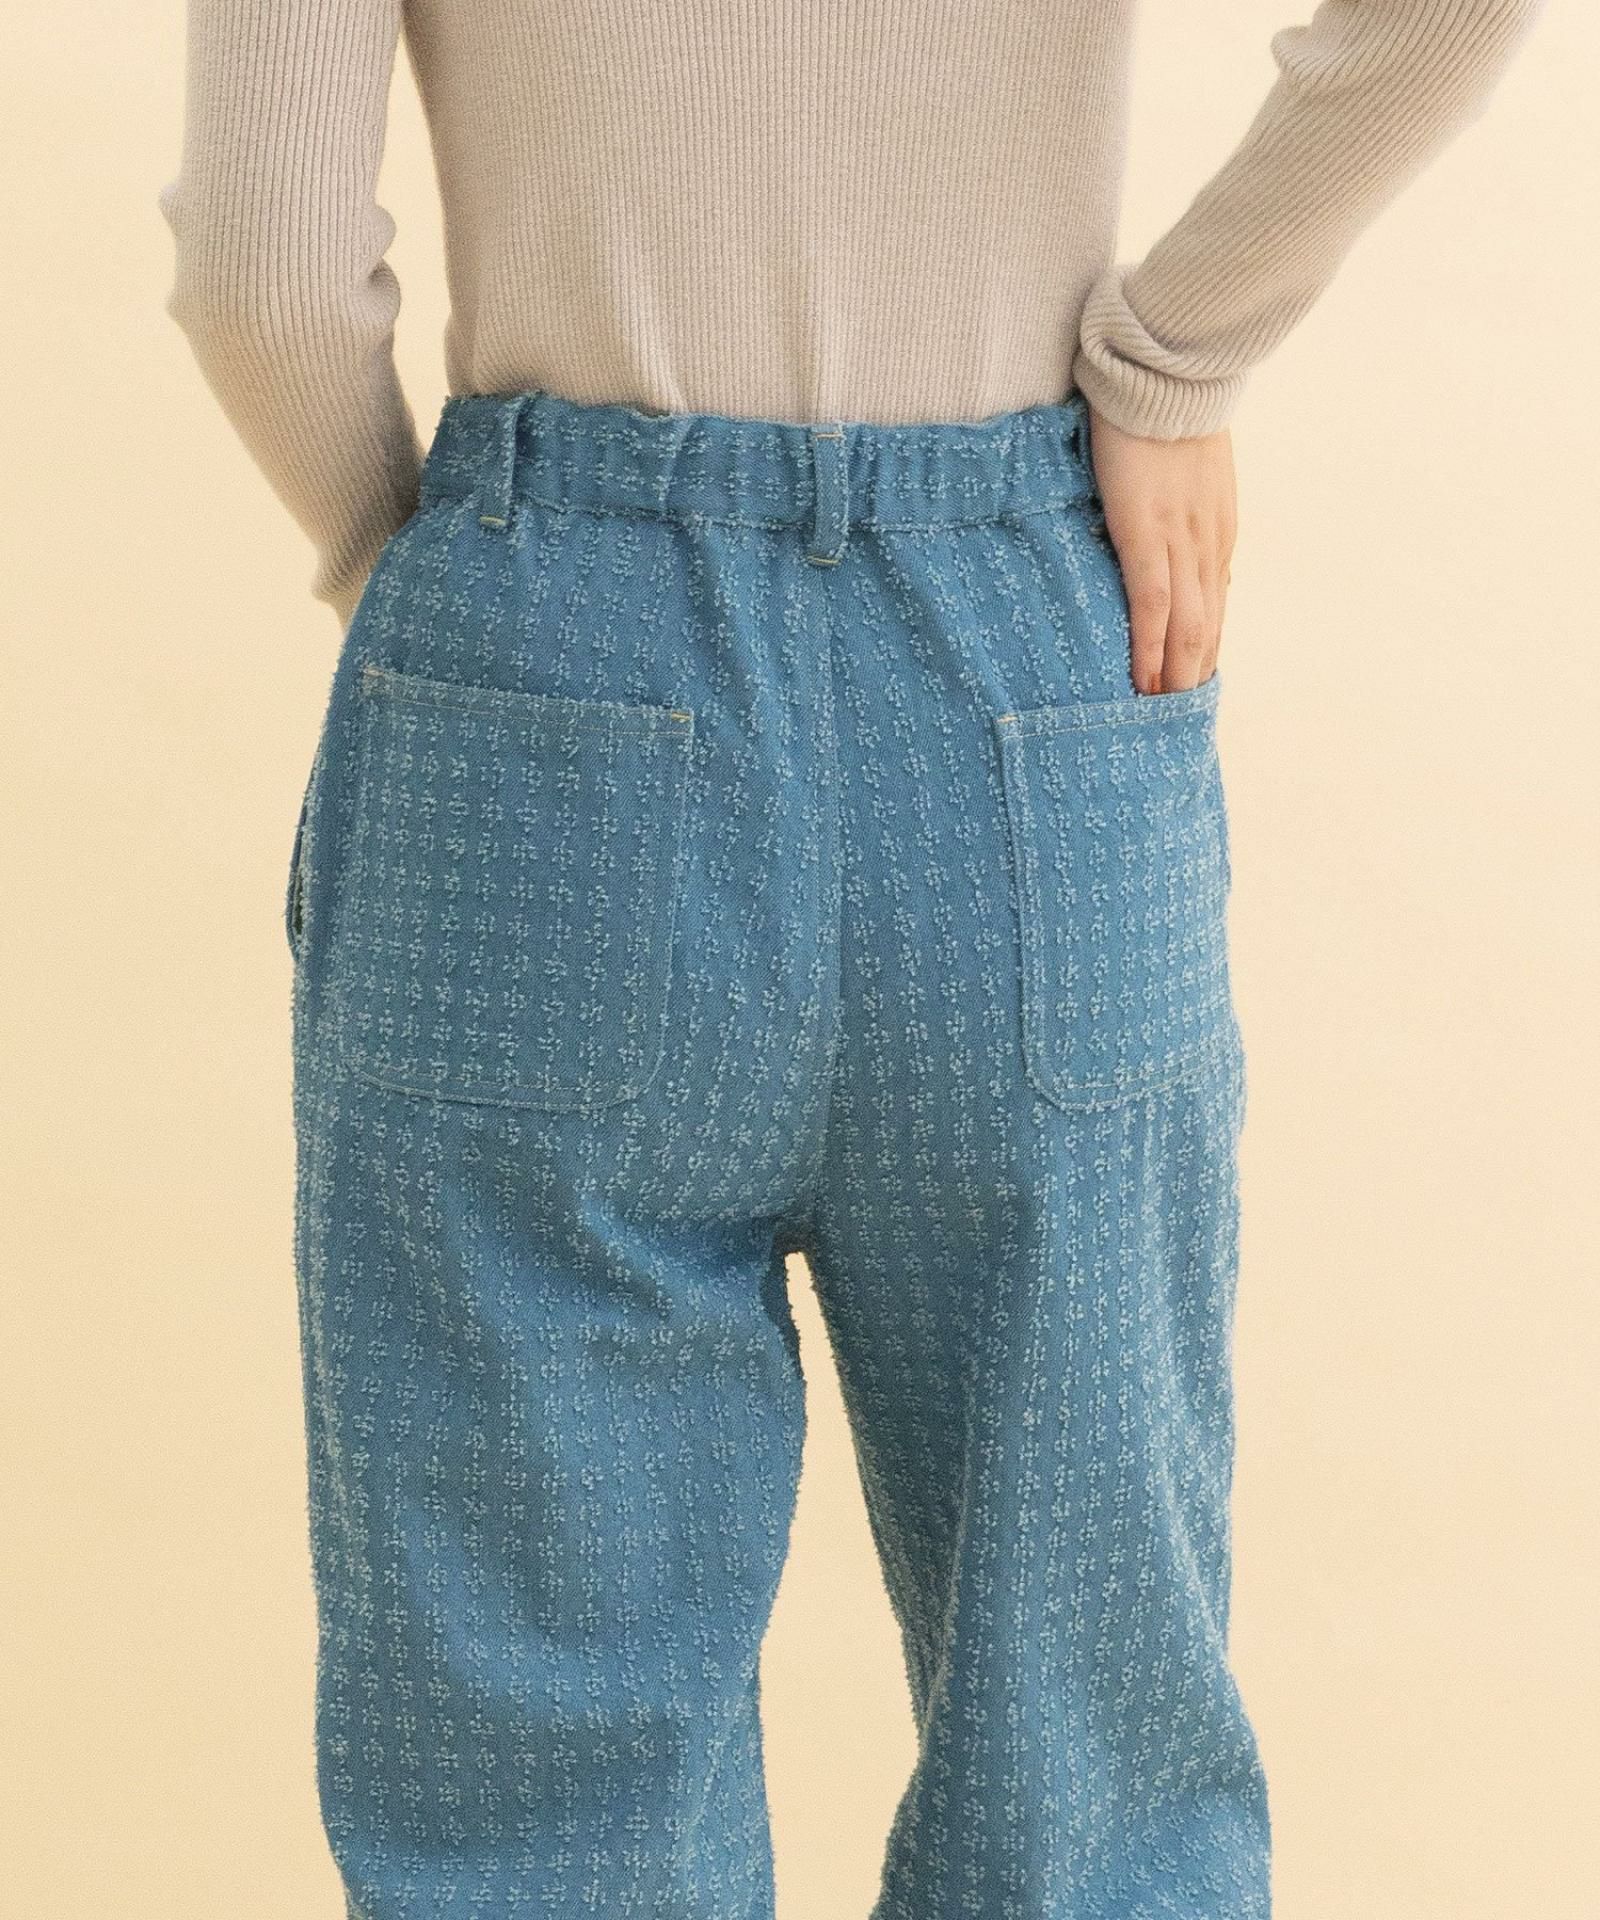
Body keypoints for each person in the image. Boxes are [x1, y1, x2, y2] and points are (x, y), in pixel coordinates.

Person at [157, 4, 1544, 1915]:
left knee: (531, 1811)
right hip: (1027, 690)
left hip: (540, 700)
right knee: (1089, 1782)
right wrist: (1176, 360)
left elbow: (262, 273)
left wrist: (460, 599)